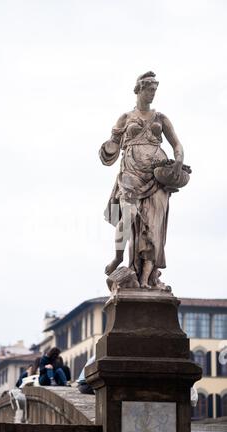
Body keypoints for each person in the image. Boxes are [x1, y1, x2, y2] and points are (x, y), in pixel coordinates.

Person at [100, 71, 184, 289]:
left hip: (157, 174)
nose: (152, 94)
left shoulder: (161, 118)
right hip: (131, 171)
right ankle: (118, 258)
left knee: (152, 226)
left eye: (155, 91)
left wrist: (178, 161)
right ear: (139, 90)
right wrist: (108, 147)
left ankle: (147, 277)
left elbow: (177, 145)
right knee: (127, 215)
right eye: (149, 90)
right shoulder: (126, 118)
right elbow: (113, 147)